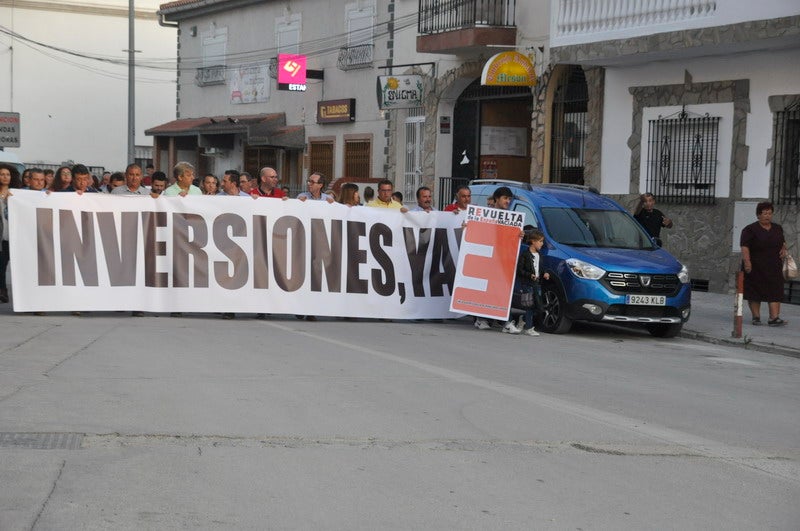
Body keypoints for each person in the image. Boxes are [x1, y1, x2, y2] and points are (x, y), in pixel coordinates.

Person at [473, 187, 522, 334]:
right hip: (487, 259)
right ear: (496, 199)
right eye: (505, 198)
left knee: (501, 291)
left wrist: (519, 235)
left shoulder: (511, 218)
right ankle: (482, 319)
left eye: (509, 199)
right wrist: (467, 227)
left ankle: (501, 321)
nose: (508, 201)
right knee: (486, 290)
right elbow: (476, 231)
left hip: (502, 260)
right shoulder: (486, 215)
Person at [740, 201, 788, 327]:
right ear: (758, 215)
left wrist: (784, 249)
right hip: (755, 265)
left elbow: (783, 242)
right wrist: (747, 262)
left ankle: (774, 318)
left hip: (774, 265)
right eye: (764, 213)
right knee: (755, 291)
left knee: (775, 291)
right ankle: (756, 317)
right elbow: (745, 247)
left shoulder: (777, 228)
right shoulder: (750, 229)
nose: (767, 216)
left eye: (770, 213)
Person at [517, 229, 549, 336]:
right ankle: (528, 328)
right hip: (527, 283)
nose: (542, 243)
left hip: (536, 283)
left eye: (542, 241)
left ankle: (524, 319)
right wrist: (529, 275)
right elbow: (520, 270)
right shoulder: (525, 254)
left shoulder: (539, 255)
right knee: (529, 305)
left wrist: (544, 273)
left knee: (538, 306)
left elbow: (540, 268)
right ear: (533, 241)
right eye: (540, 241)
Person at [0, 163, 21, 303]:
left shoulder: (18, 192)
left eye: (7, 174)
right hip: (2, 237)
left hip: (16, 236)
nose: (5, 177)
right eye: (2, 174)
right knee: (1, 266)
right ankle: (3, 291)